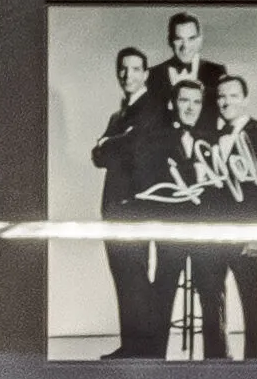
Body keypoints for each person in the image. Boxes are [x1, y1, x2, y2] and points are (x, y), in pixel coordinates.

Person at [83, 22, 201, 358]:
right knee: (125, 279)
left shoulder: (151, 107)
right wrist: (109, 144)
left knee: (137, 281)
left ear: (146, 73)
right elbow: (98, 158)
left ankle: (145, 352)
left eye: (135, 68)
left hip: (135, 207)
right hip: (114, 207)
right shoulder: (118, 114)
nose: (128, 74)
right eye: (123, 69)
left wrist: (109, 143)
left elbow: (128, 147)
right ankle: (132, 347)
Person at [166, 52, 257, 360]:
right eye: (221, 97)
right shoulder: (211, 138)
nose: (226, 102)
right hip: (213, 236)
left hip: (246, 235)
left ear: (245, 99)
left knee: (250, 299)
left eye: (233, 96)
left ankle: (254, 362)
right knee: (211, 301)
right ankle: (217, 362)